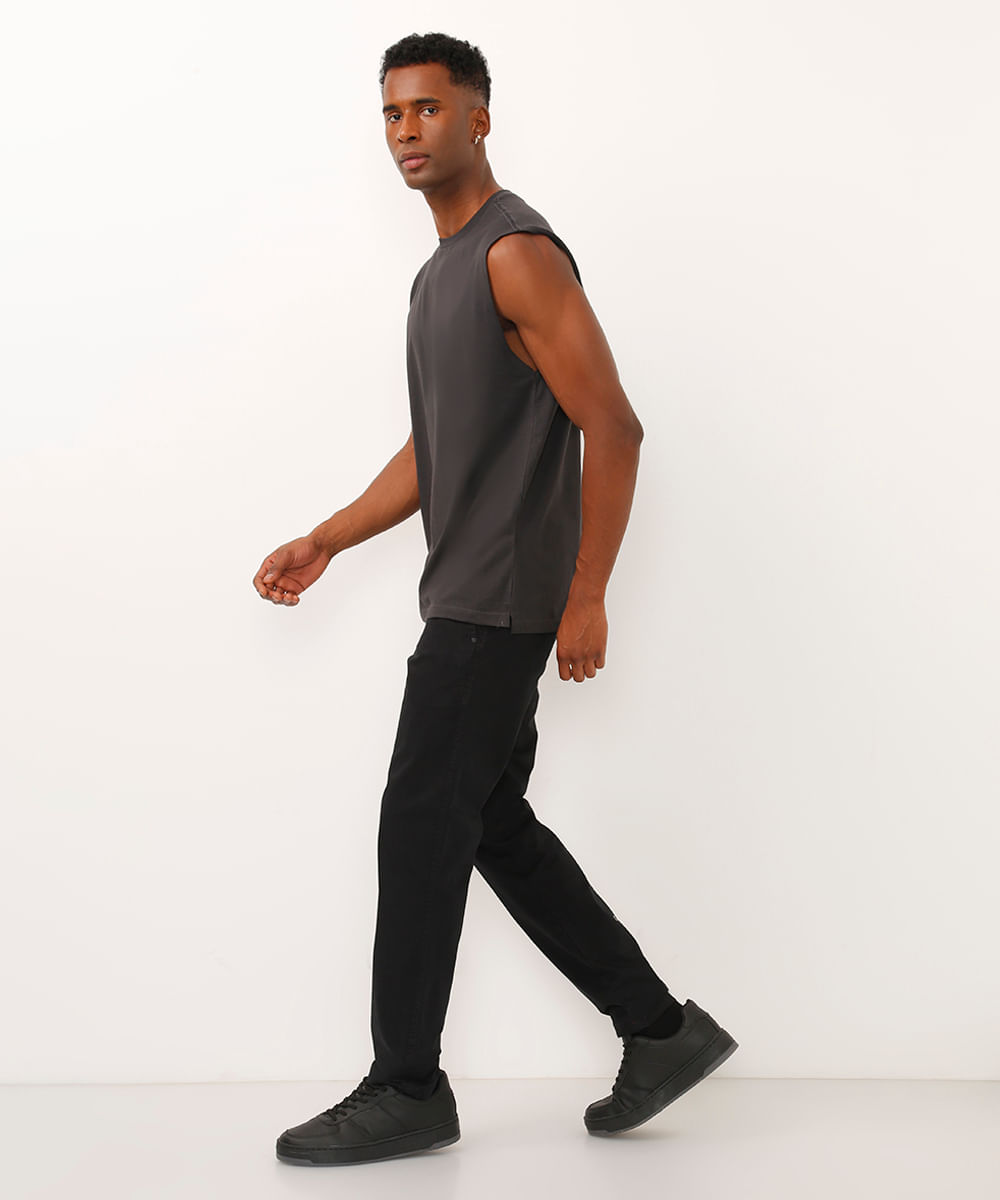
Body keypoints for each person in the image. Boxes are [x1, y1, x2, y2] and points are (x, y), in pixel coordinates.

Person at [256, 32, 738, 1168]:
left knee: (420, 823)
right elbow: (437, 450)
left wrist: (589, 593)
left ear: (478, 117)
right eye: (392, 113)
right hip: (469, 592)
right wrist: (328, 537)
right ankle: (659, 1030)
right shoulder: (440, 274)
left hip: (496, 603)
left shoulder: (515, 253)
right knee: (491, 824)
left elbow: (613, 424)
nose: (407, 131)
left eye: (428, 108)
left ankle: (406, 1087)